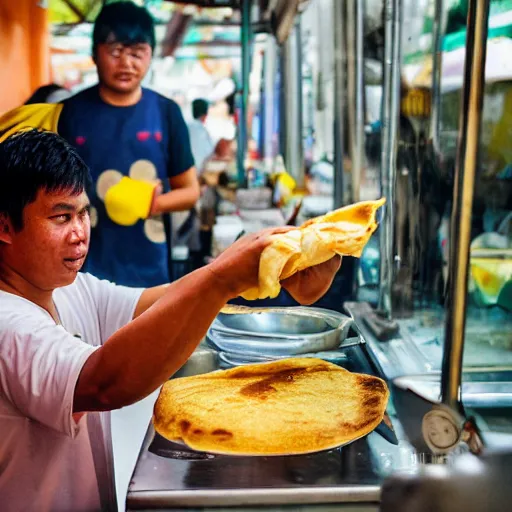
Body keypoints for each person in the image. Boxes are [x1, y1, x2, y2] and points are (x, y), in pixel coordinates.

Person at [0, 129, 342, 512]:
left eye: (83, 214)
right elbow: (103, 383)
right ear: (5, 227)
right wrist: (223, 278)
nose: (79, 233)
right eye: (61, 217)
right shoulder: (8, 325)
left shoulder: (66, 288)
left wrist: (260, 264)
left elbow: (153, 305)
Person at [0, 2, 200, 288]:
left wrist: (152, 203)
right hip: (79, 269)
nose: (127, 63)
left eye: (137, 53)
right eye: (115, 51)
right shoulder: (68, 113)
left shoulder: (166, 113)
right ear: (95, 54)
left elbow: (190, 191)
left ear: (151, 56)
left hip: (149, 268)